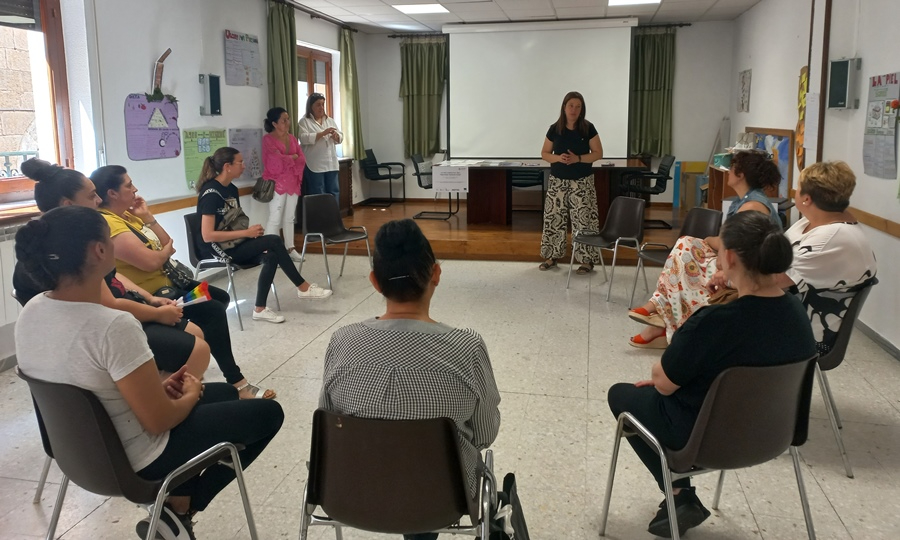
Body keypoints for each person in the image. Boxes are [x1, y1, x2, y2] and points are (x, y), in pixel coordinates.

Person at [14, 205, 284, 540]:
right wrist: (187, 395)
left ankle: (175, 512)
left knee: (228, 394)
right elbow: (159, 422)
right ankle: (179, 510)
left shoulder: (32, 311)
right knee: (269, 414)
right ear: (99, 251)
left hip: (77, 453)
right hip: (136, 461)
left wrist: (162, 390)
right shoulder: (112, 326)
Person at [607, 211, 817, 538]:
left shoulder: (714, 321)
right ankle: (681, 498)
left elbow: (663, 383)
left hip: (704, 440)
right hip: (773, 436)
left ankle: (680, 494)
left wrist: (664, 375)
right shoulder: (797, 315)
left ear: (729, 257)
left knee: (621, 394)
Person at [319, 219, 501, 540]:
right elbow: (485, 434)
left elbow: (329, 420)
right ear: (436, 274)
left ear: (375, 282)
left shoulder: (342, 341)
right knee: (431, 477)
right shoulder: (467, 347)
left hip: (351, 494)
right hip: (441, 500)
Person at [90, 164, 276, 399]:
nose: (135, 189)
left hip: (170, 283)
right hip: (154, 292)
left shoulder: (128, 215)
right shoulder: (110, 224)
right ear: (112, 193)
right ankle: (237, 382)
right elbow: (150, 262)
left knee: (220, 297)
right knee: (213, 311)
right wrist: (163, 253)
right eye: (128, 185)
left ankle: (192, 365)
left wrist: (148, 218)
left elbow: (169, 242)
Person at [14, 158, 209, 379]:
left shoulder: (69, 239)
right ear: (69, 205)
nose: (99, 201)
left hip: (108, 317)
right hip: (98, 329)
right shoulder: (72, 252)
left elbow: (114, 277)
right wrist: (156, 313)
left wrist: (149, 299)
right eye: (91, 196)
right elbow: (108, 304)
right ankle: (167, 393)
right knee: (197, 349)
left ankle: (165, 386)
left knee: (195, 333)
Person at [627, 151, 782, 348]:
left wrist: (712, 242)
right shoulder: (746, 201)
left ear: (741, 174)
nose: (728, 172)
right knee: (686, 243)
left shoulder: (752, 206)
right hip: (738, 260)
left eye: (732, 168)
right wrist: (712, 241)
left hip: (749, 269)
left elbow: (728, 245)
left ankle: (658, 314)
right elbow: (726, 241)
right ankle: (657, 314)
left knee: (685, 259)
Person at [196, 147, 332, 324]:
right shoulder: (211, 193)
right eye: (240, 162)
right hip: (215, 250)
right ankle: (303, 287)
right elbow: (207, 236)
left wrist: (249, 234)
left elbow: (233, 223)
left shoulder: (231, 189)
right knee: (274, 239)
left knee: (272, 256)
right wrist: (247, 233)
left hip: (234, 243)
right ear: (227, 166)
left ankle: (259, 309)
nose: (244, 166)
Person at [778, 161, 877, 354]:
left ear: (806, 199)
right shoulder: (811, 223)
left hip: (801, 334)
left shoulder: (832, 239)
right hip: (788, 313)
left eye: (798, 188)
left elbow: (774, 281)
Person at [538, 91, 604, 274]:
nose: (574, 109)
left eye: (578, 106)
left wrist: (578, 158)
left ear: (582, 109)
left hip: (582, 182)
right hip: (558, 182)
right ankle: (552, 257)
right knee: (553, 219)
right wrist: (558, 158)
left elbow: (598, 153)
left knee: (584, 221)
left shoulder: (588, 128)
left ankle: (587, 261)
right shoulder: (555, 128)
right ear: (564, 107)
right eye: (571, 105)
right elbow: (544, 154)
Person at [262, 107, 306, 263]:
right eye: (284, 120)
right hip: (277, 183)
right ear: (274, 123)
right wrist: (291, 158)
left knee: (290, 217)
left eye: (288, 119)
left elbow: (301, 158)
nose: (287, 123)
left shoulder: (292, 138)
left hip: (293, 181)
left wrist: (290, 158)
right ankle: (269, 252)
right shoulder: (268, 139)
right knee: (275, 217)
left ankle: (290, 248)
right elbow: (275, 161)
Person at [297, 92, 343, 202]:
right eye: (318, 104)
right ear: (311, 106)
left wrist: (337, 136)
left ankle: (332, 218)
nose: (321, 107)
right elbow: (303, 138)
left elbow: (341, 136)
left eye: (323, 104)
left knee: (334, 191)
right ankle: (320, 218)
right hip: (315, 164)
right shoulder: (304, 121)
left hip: (331, 163)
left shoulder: (330, 120)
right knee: (318, 192)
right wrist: (322, 133)